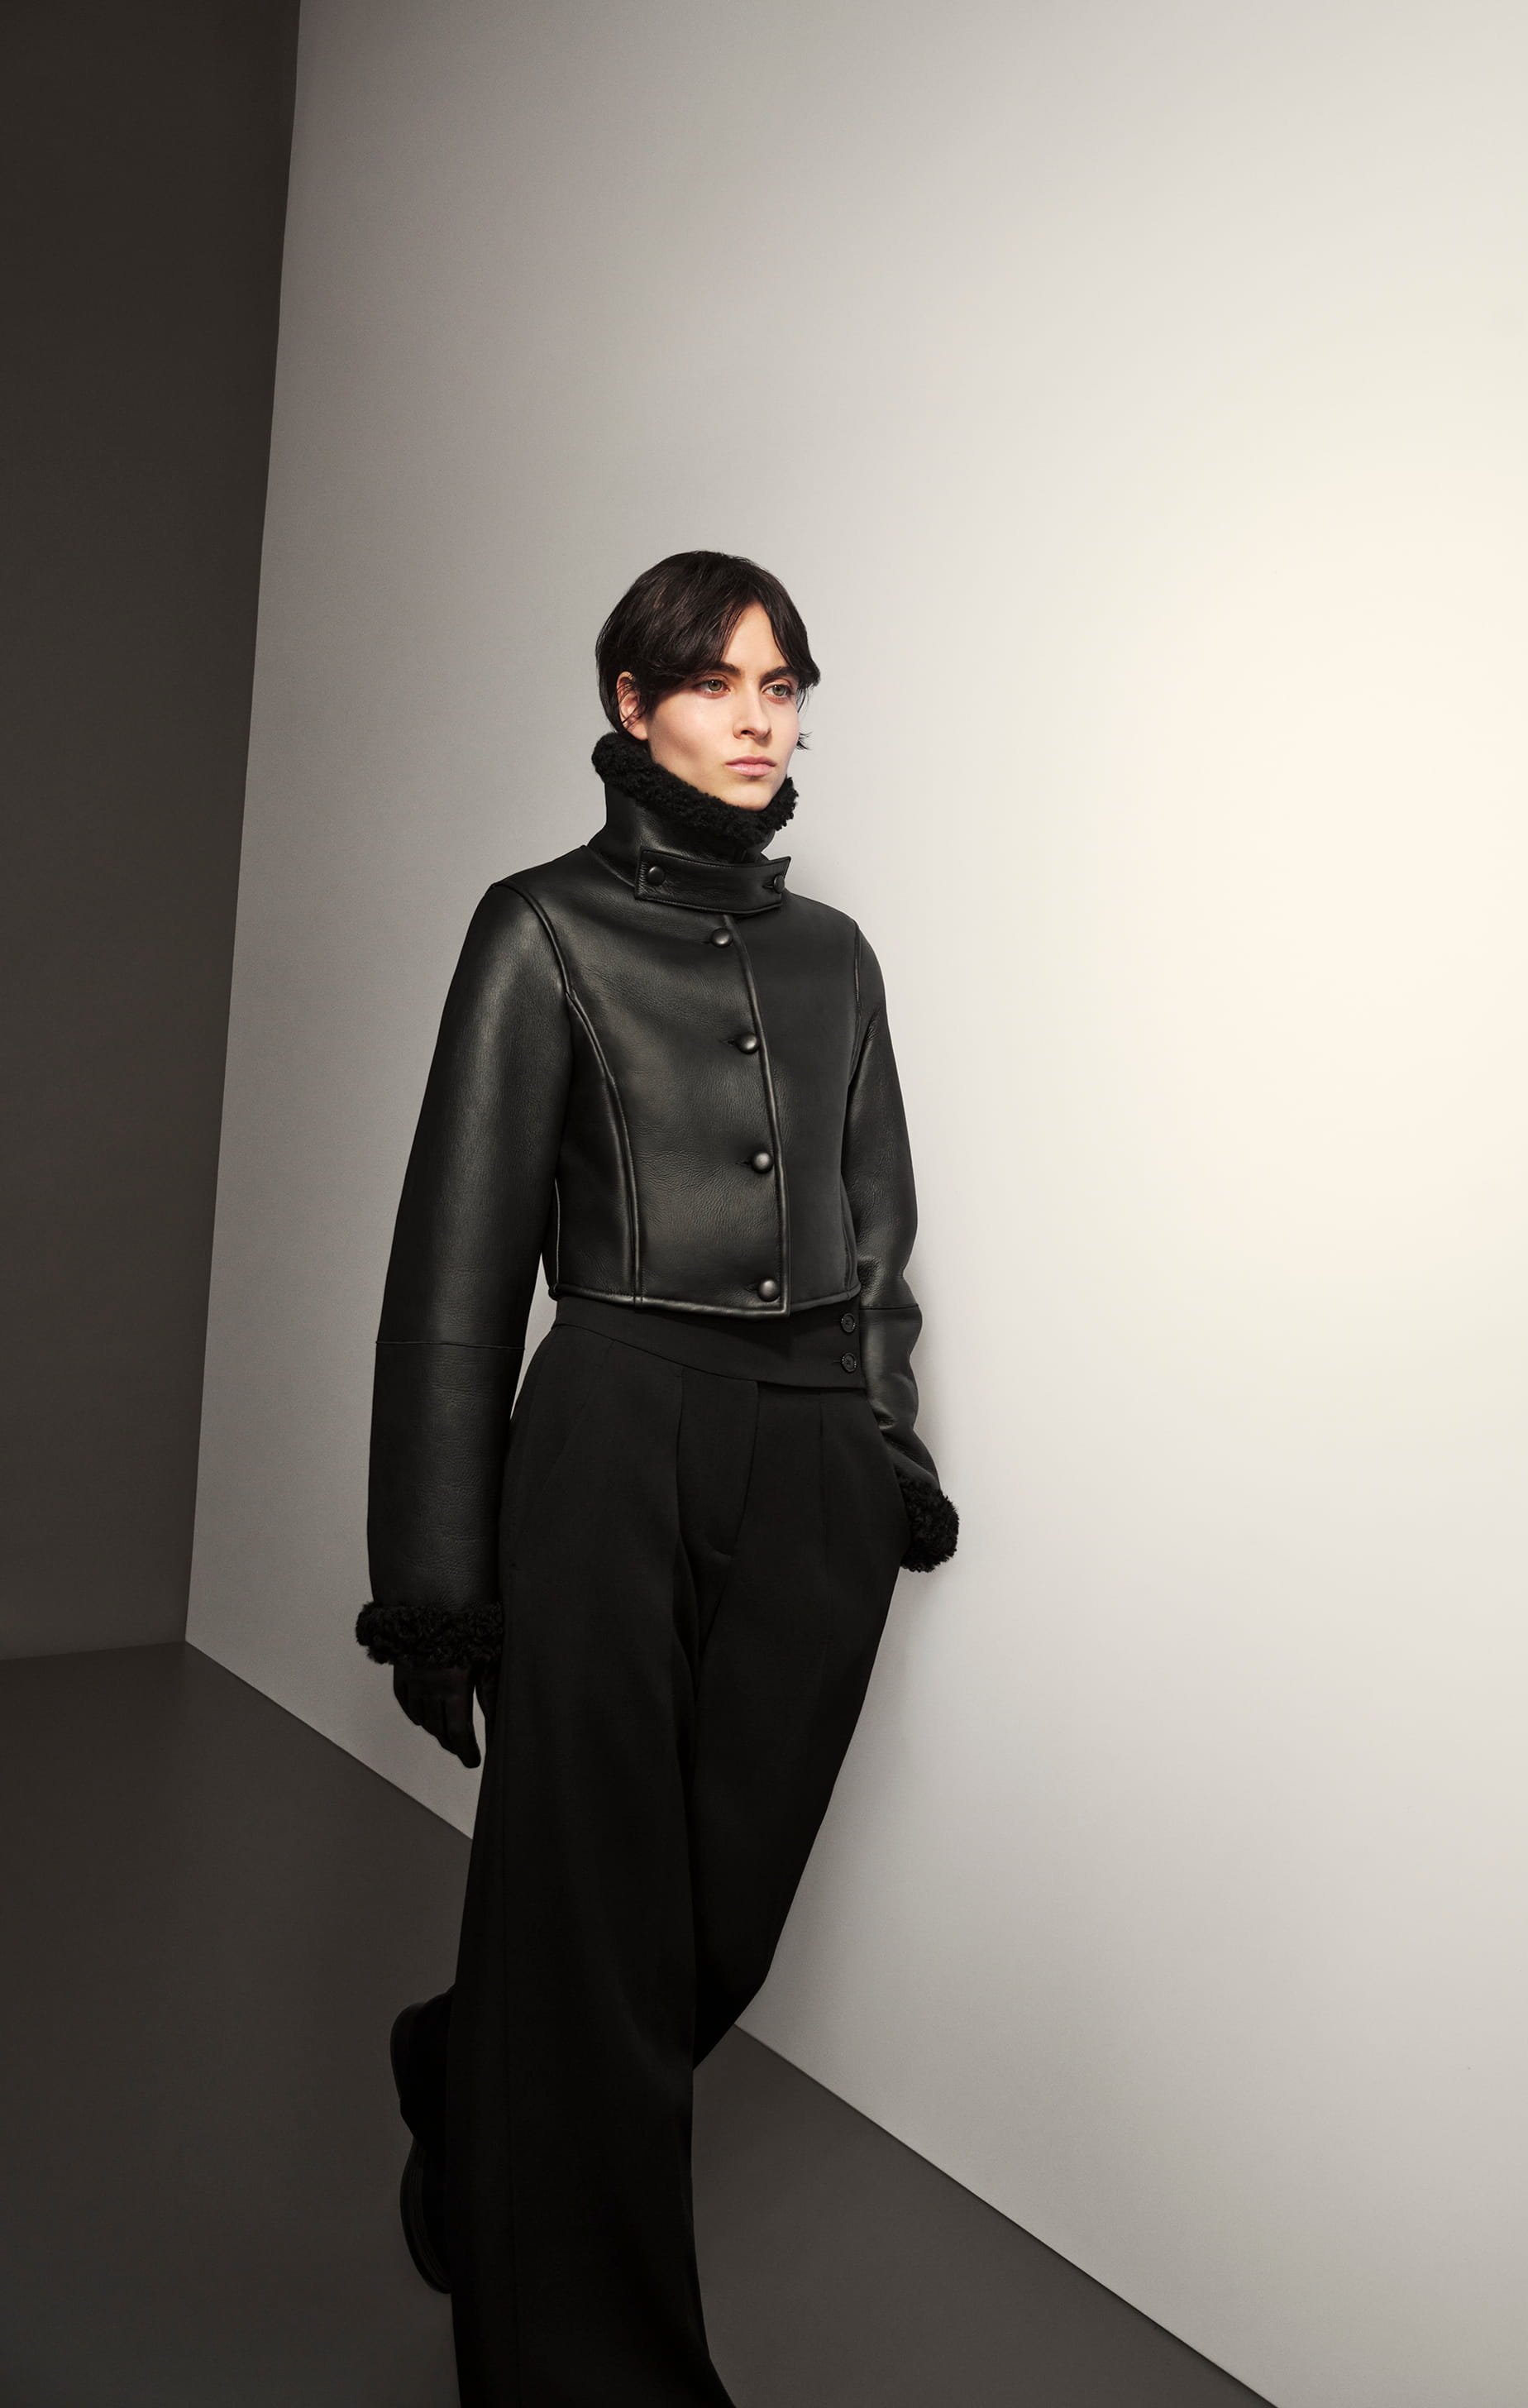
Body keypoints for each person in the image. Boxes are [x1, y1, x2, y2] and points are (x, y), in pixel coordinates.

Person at [353, 549, 957, 2406]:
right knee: (596, 1909)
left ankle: (477, 2068)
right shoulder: (538, 929)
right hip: (614, 1433)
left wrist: (882, 1443)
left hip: (812, 1454)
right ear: (634, 704)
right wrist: (435, 1590)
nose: (760, 718)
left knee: (712, 1914)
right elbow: (455, 1279)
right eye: (718, 682)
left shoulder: (834, 955)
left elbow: (879, 1227)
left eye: (784, 685)